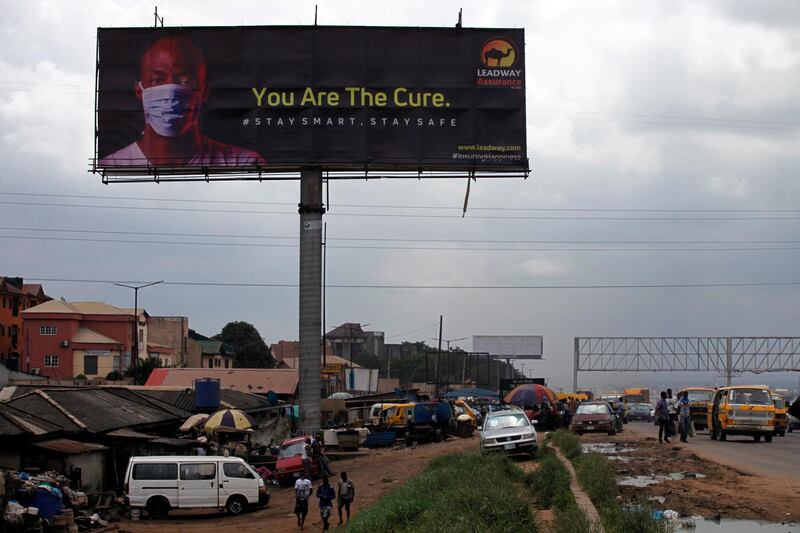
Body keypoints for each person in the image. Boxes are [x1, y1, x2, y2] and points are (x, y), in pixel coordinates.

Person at [100, 35, 266, 168]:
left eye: (186, 81)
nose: (171, 91)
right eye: (157, 80)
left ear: (204, 93)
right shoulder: (113, 166)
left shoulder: (244, 163)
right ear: (139, 91)